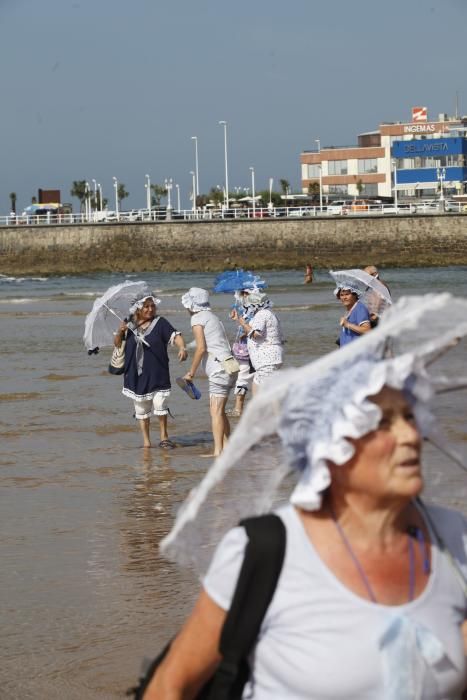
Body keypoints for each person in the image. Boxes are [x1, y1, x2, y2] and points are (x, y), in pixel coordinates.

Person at [142, 293, 467, 698]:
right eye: (381, 423)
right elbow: (171, 685)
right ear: (330, 447)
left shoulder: (454, 540)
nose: (409, 436)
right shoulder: (267, 552)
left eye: (411, 417)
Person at [115, 295, 187, 449]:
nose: (150, 309)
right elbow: (117, 344)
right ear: (138, 308)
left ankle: (164, 437)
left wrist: (182, 347)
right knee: (141, 409)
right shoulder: (129, 324)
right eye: (146, 306)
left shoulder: (160, 323)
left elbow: (176, 336)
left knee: (160, 404)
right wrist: (120, 332)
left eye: (152, 306)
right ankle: (146, 441)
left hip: (158, 372)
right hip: (136, 375)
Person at [181, 287, 238, 457]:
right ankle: (228, 446)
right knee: (220, 410)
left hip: (219, 368)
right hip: (230, 366)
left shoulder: (197, 319)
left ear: (191, 305)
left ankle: (218, 451)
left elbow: (201, 348)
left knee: (215, 411)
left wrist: (190, 373)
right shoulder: (212, 317)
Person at [231, 290, 284, 394]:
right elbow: (265, 334)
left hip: (267, 359)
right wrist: (240, 323)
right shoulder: (269, 313)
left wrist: (241, 322)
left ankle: (276, 410)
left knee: (265, 395)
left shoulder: (261, 314)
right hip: (270, 358)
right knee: (257, 390)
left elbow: (256, 334)